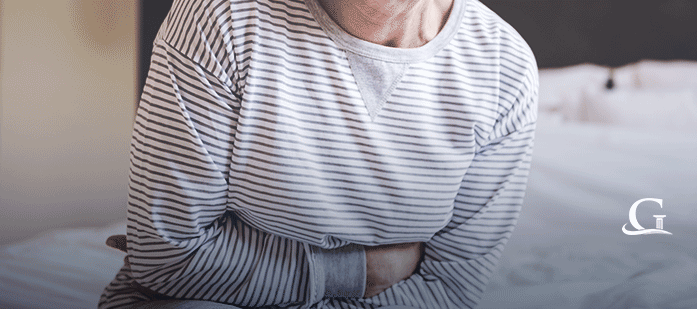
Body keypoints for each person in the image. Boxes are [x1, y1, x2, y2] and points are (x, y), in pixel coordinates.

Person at [99, 0, 538, 307]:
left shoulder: (503, 67)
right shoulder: (220, 16)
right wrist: (362, 273)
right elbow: (168, 257)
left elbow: (450, 288)